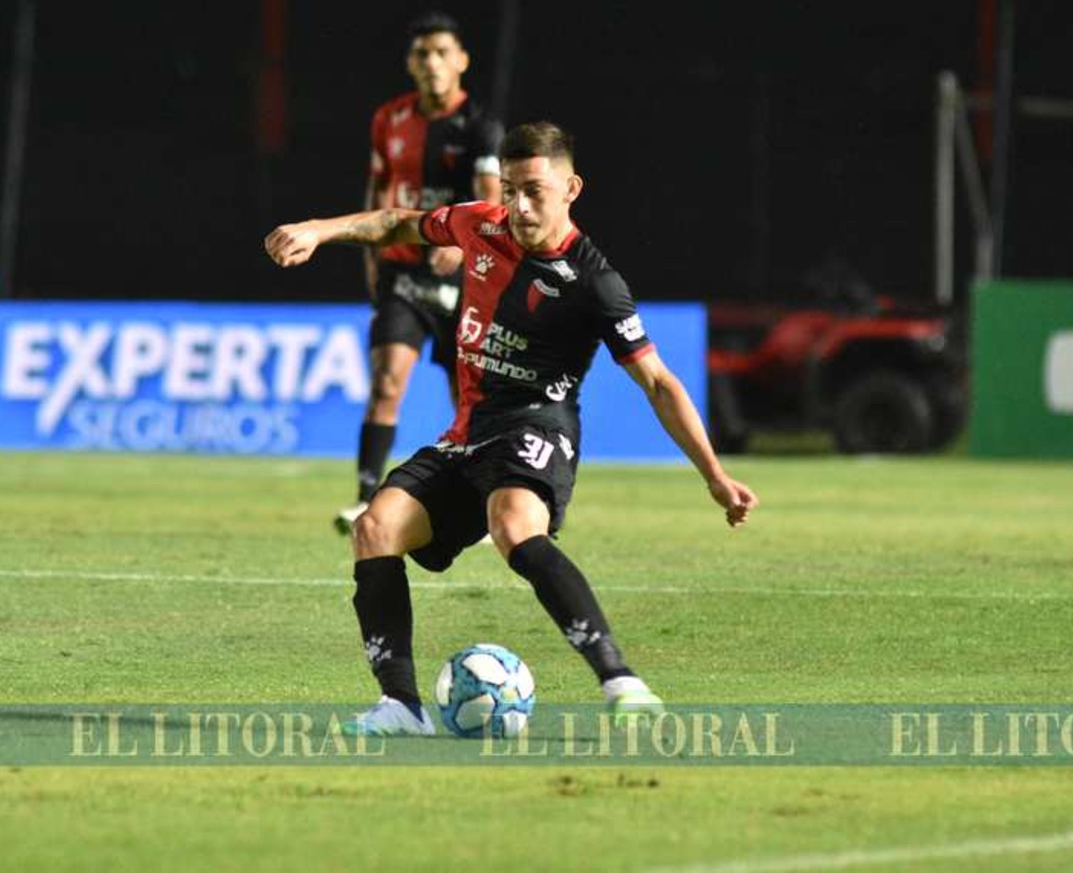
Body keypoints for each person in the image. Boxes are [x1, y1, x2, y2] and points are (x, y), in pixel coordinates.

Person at [266, 121, 759, 735]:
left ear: (571, 189)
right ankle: (401, 705)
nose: (519, 206)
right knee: (375, 527)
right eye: (510, 189)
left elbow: (658, 382)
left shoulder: (595, 283)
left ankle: (622, 683)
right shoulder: (481, 224)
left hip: (537, 427)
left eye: (534, 191)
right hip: (466, 434)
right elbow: (396, 222)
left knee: (513, 526)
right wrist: (319, 229)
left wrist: (714, 475)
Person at [336, 12, 503, 533]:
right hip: (402, 274)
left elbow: (492, 200)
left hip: (463, 278)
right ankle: (366, 498)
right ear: (410, 63)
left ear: (461, 61)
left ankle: (478, 500)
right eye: (422, 54)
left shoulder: (480, 125)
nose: (432, 63)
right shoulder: (389, 119)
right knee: (386, 381)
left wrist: (464, 245)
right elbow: (378, 190)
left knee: (465, 396)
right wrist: (370, 256)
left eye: (441, 53)